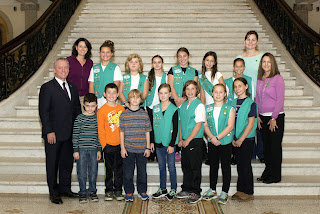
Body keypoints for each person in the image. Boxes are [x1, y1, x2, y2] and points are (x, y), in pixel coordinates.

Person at [39, 58, 81, 204]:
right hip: (54, 134)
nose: (63, 70)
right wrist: (48, 130)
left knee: (67, 163)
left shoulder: (72, 87)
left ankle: (65, 188)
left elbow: (77, 110)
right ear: (54, 69)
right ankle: (54, 192)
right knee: (52, 163)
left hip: (69, 134)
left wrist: (78, 131)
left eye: (66, 68)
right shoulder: (47, 87)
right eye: (60, 68)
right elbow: (43, 112)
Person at [202, 84, 235, 205]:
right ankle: (212, 189)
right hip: (212, 142)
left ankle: (225, 191)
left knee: (226, 167)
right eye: (216, 92)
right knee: (213, 166)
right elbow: (205, 125)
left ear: (225, 94)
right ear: (212, 94)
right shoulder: (208, 108)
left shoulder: (229, 108)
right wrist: (211, 138)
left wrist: (217, 137)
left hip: (225, 142)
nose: (218, 94)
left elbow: (230, 126)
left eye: (221, 92)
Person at [256, 53, 285, 184]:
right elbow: (257, 98)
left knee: (274, 148)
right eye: (264, 62)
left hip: (275, 118)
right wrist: (257, 115)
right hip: (262, 117)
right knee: (266, 148)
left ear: (273, 64)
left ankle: (275, 175)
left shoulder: (278, 78)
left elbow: (280, 99)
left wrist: (274, 117)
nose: (266, 64)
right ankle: (267, 172)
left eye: (268, 62)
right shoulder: (260, 79)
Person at [236, 30, 264, 162]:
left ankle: (262, 152)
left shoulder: (262, 57)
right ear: (244, 41)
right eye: (248, 39)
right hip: (245, 95)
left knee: (259, 123)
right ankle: (250, 152)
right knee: (247, 122)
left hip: (259, 93)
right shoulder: (239, 57)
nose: (250, 42)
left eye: (253, 39)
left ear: (257, 42)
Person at [176, 80, 206, 204]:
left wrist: (188, 140)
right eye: (187, 89)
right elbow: (180, 123)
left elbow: (199, 124)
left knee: (195, 168)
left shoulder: (199, 105)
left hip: (195, 141)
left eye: (192, 88)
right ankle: (186, 189)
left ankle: (196, 191)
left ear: (196, 90)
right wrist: (180, 139)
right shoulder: (182, 105)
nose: (190, 91)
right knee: (186, 166)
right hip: (185, 142)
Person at [120, 89, 152, 202]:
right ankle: (129, 192)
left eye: (137, 97)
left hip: (142, 149)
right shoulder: (124, 114)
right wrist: (122, 148)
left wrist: (148, 147)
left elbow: (147, 131)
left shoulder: (144, 114)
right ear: (128, 99)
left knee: (142, 172)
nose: (134, 99)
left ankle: (142, 191)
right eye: (132, 97)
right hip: (128, 149)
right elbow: (121, 132)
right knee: (128, 173)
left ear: (141, 100)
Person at [167, 47, 199, 162]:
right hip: (175, 102)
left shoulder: (194, 71)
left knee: (185, 123)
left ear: (188, 56)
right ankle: (176, 149)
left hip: (188, 101)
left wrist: (184, 98)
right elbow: (170, 85)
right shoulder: (172, 70)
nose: (182, 58)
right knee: (175, 125)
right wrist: (177, 99)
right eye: (179, 56)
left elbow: (194, 87)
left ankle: (184, 147)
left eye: (184, 56)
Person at [97, 83, 125, 201]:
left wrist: (124, 144)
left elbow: (124, 128)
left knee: (119, 169)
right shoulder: (101, 111)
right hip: (108, 145)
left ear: (118, 94)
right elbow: (100, 129)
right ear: (104, 94)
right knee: (109, 169)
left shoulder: (121, 109)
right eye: (109, 92)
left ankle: (118, 190)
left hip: (120, 144)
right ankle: (108, 190)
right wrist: (104, 145)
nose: (111, 95)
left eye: (114, 92)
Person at [231, 77, 257, 202]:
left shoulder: (251, 103)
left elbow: (251, 123)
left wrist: (241, 138)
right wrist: (233, 138)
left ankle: (249, 191)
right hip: (236, 138)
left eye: (240, 86)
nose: (237, 89)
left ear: (246, 86)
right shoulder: (233, 103)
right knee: (239, 165)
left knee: (246, 165)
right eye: (235, 86)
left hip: (247, 139)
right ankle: (241, 189)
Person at [151, 84, 178, 201]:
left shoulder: (174, 109)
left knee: (171, 167)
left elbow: (176, 128)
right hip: (158, 143)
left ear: (170, 94)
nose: (163, 95)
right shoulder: (155, 108)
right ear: (158, 94)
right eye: (161, 93)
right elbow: (152, 127)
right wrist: (152, 142)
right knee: (161, 167)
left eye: (165, 93)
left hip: (169, 144)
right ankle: (162, 188)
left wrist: (172, 144)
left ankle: (173, 189)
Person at [72, 93, 101, 203]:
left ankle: (93, 191)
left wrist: (99, 149)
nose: (90, 108)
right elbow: (75, 135)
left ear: (96, 105)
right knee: (82, 172)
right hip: (81, 150)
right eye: (88, 106)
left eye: (93, 106)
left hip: (94, 150)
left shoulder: (97, 118)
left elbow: (99, 135)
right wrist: (75, 150)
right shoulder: (79, 118)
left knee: (93, 171)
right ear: (84, 105)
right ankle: (82, 192)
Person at [88, 40, 123, 109]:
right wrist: (93, 101)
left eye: (108, 52)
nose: (105, 54)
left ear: (111, 54)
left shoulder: (115, 67)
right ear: (100, 53)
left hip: (110, 99)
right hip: (97, 100)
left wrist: (112, 97)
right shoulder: (94, 68)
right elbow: (91, 86)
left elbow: (116, 86)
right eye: (103, 52)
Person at [146, 55, 167, 162]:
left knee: (160, 128)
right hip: (150, 106)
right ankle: (151, 152)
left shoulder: (167, 76)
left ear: (162, 64)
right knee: (151, 130)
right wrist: (145, 105)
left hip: (162, 106)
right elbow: (144, 92)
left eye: (159, 62)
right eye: (155, 62)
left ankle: (160, 152)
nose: (157, 64)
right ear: (152, 64)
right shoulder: (148, 77)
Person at [67, 38, 93, 108]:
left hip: (85, 97)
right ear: (76, 47)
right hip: (71, 96)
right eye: (80, 46)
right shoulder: (69, 60)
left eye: (85, 47)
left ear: (88, 49)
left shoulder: (90, 63)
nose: (82, 49)